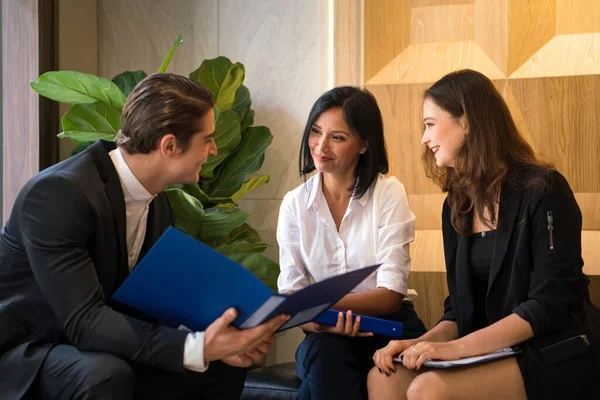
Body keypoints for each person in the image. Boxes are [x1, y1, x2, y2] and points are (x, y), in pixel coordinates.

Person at [0, 73, 290, 400]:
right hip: (27, 350)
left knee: (220, 366)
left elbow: (145, 305)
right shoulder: (59, 194)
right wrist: (196, 347)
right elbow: (84, 320)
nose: (214, 149)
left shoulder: (158, 202)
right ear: (169, 145)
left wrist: (218, 342)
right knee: (105, 375)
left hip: (92, 342)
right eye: (207, 139)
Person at [368, 69, 600, 400]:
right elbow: (460, 312)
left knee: (427, 389)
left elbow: (548, 305)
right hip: (489, 349)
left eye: (430, 124)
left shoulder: (544, 189)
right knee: (384, 377)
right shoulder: (456, 206)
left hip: (553, 348)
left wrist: (457, 350)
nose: (424, 137)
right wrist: (418, 344)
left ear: (468, 122)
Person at [277, 86, 426, 400]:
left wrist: (316, 306)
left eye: (338, 137)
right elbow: (291, 295)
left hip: (388, 328)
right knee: (324, 356)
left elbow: (389, 297)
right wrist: (317, 322)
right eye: (316, 132)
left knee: (318, 382)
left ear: (364, 144)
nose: (321, 146)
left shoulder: (388, 193)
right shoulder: (294, 203)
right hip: (325, 334)